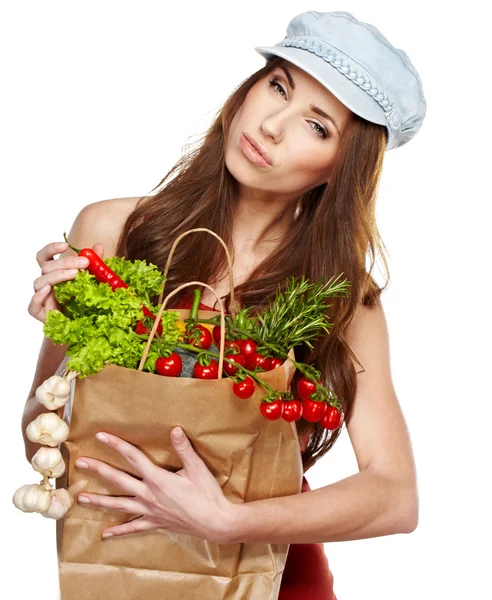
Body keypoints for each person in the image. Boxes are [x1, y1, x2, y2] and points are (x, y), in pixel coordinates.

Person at [21, 10, 426, 600]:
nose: (271, 127)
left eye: (317, 126)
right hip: (125, 558)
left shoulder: (339, 295)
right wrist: (69, 329)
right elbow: (43, 440)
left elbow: (396, 496)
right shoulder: (112, 230)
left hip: (273, 574)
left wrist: (228, 522)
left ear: (344, 167)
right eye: (278, 86)